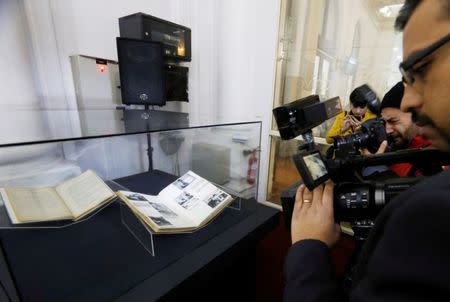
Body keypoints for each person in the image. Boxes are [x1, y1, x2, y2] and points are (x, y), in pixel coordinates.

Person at [284, 1, 450, 301]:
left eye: (422, 70)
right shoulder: (352, 121)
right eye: (407, 80)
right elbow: (334, 139)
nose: (410, 101)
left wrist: (308, 248)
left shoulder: (432, 211)